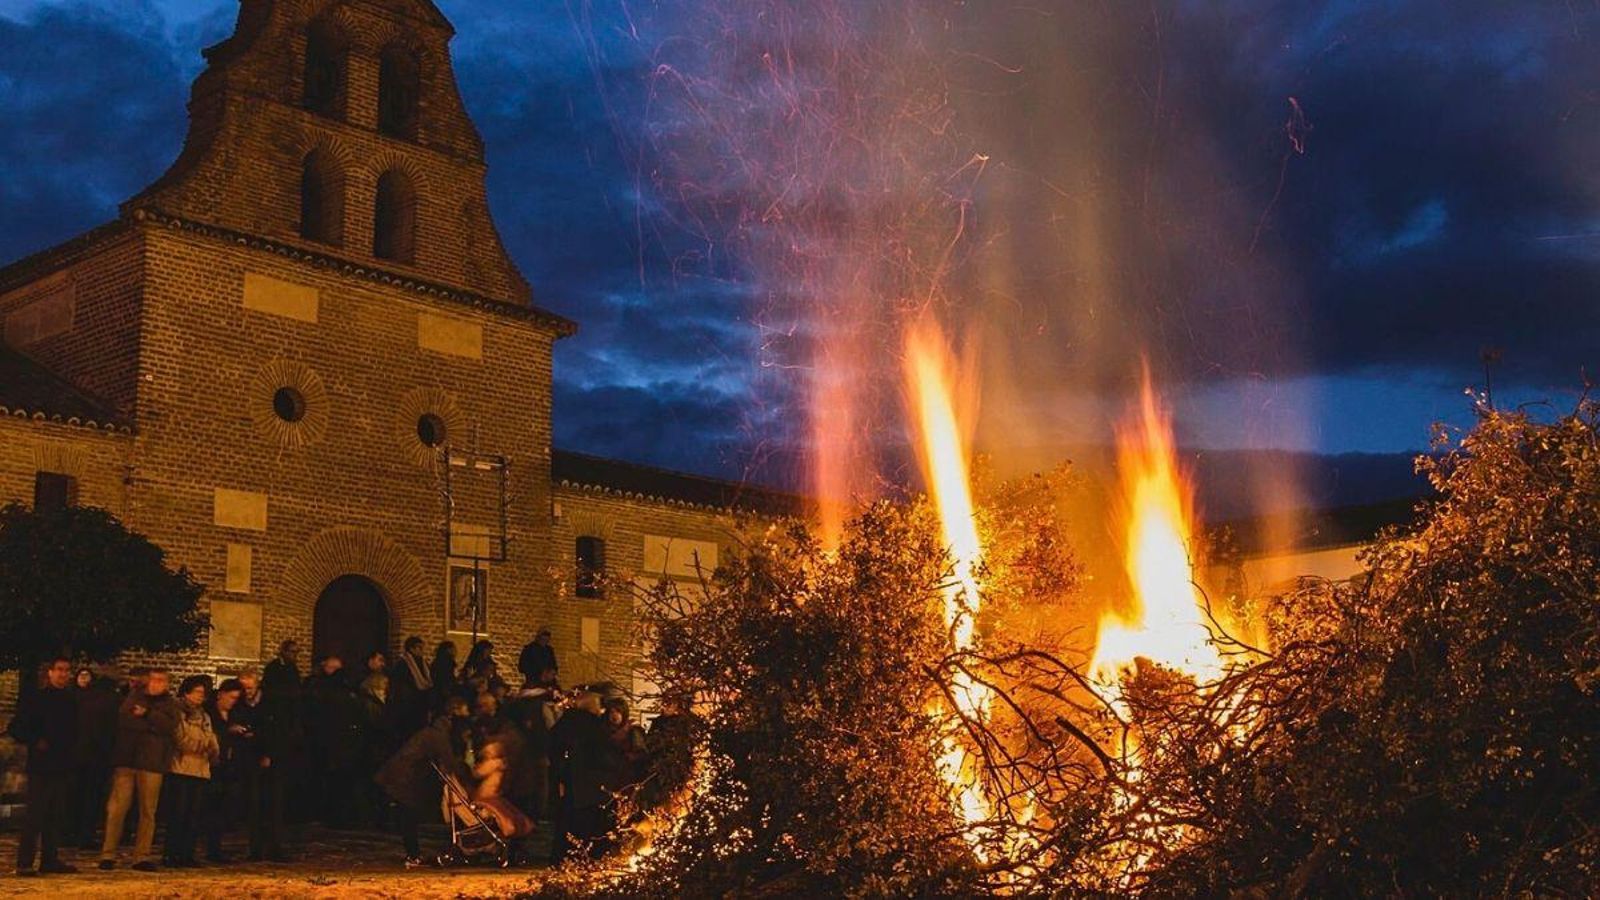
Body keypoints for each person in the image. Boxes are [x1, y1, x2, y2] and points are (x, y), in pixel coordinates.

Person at [374, 696, 472, 866]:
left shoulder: (433, 731)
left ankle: (413, 854)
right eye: (465, 710)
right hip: (405, 777)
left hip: (402, 775)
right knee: (408, 816)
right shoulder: (438, 736)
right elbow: (449, 762)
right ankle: (413, 855)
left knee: (408, 815)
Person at [99, 668, 178, 871]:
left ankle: (141, 855)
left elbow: (169, 727)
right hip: (127, 758)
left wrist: (148, 715)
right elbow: (125, 720)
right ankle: (108, 853)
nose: (158, 684)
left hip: (152, 761)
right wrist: (152, 726)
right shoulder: (134, 697)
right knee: (117, 808)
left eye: (162, 680)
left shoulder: (169, 704)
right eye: (154, 679)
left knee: (148, 811)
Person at [9, 657, 79, 876]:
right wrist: (36, 740)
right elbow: (17, 727)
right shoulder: (36, 698)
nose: (63, 674)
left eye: (66, 670)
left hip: (62, 763)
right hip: (41, 764)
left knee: (55, 815)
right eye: (59, 670)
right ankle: (25, 862)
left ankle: (50, 859)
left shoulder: (70, 699)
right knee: (35, 815)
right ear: (50, 672)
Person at [550, 685, 623, 862]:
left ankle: (570, 856)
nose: (601, 708)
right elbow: (600, 754)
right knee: (587, 822)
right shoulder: (588, 725)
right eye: (599, 702)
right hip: (589, 784)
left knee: (572, 820)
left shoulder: (571, 723)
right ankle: (587, 856)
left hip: (576, 782)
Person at [163, 675, 219, 868]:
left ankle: (187, 853)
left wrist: (212, 749)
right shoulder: (177, 712)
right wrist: (201, 745)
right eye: (197, 692)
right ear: (186, 692)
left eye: (203, 693)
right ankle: (172, 853)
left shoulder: (204, 716)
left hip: (200, 770)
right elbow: (180, 738)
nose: (200, 696)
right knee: (178, 813)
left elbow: (211, 738)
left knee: (193, 815)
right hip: (181, 768)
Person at [234, 670, 289, 862]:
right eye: (243, 688)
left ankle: (275, 847)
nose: (246, 692)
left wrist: (268, 753)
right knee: (254, 804)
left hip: (270, 760)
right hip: (249, 759)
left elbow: (278, 731)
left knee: (273, 805)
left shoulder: (271, 704)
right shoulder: (240, 705)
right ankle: (255, 848)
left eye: (249, 688)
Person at [306, 655, 364, 827]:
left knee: (333, 781)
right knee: (340, 781)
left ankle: (332, 815)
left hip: (331, 743)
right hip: (341, 743)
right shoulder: (348, 695)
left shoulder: (324, 692)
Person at [70, 665, 118, 850]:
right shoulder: (108, 701)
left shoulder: (78, 699)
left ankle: (72, 833)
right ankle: (84, 834)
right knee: (90, 797)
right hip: (96, 756)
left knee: (77, 796)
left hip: (81, 755)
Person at [203, 678, 247, 862]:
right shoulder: (209, 712)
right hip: (212, 764)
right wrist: (228, 731)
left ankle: (216, 847)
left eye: (236, 698)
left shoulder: (235, 713)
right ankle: (209, 846)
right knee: (210, 806)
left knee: (223, 807)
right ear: (221, 695)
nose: (233, 702)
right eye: (231, 697)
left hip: (229, 765)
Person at [389, 636, 433, 734]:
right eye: (419, 647)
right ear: (411, 649)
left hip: (422, 701)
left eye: (422, 647)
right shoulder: (403, 664)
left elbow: (428, 680)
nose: (422, 650)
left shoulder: (424, 663)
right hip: (408, 703)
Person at [429, 641, 458, 707]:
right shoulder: (448, 661)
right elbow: (447, 676)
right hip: (445, 689)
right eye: (453, 648)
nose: (455, 650)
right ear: (448, 650)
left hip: (439, 689)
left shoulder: (437, 661)